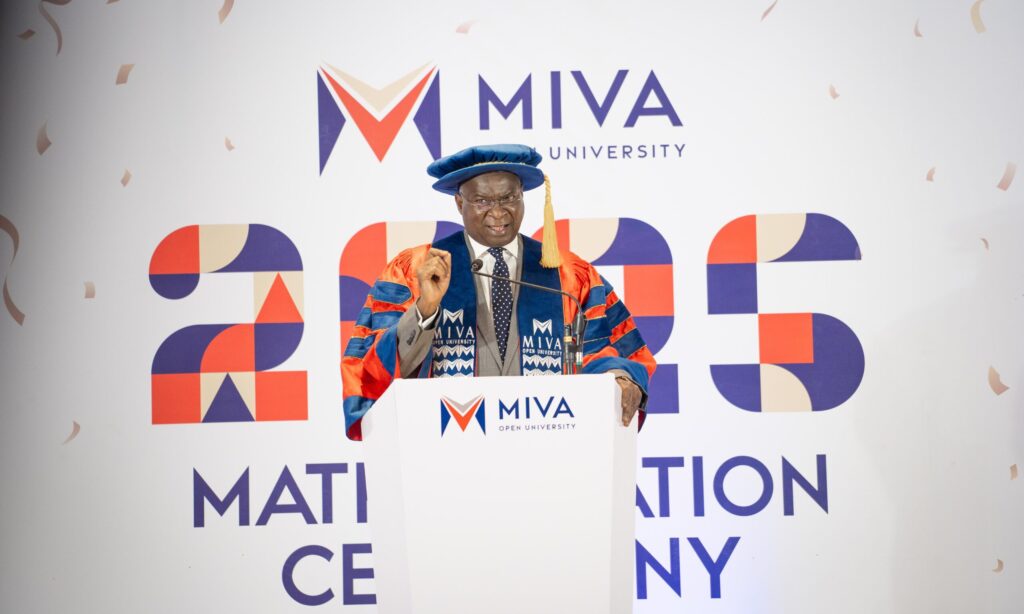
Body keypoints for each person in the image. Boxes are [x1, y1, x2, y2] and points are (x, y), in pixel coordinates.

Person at [342, 144, 656, 440]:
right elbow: (371, 367)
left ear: (523, 198)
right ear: (459, 202)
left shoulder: (571, 275)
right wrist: (425, 310)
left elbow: (606, 349)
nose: (498, 212)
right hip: (444, 448)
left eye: (509, 198)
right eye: (482, 200)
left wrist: (620, 377)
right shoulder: (415, 269)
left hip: (549, 446)